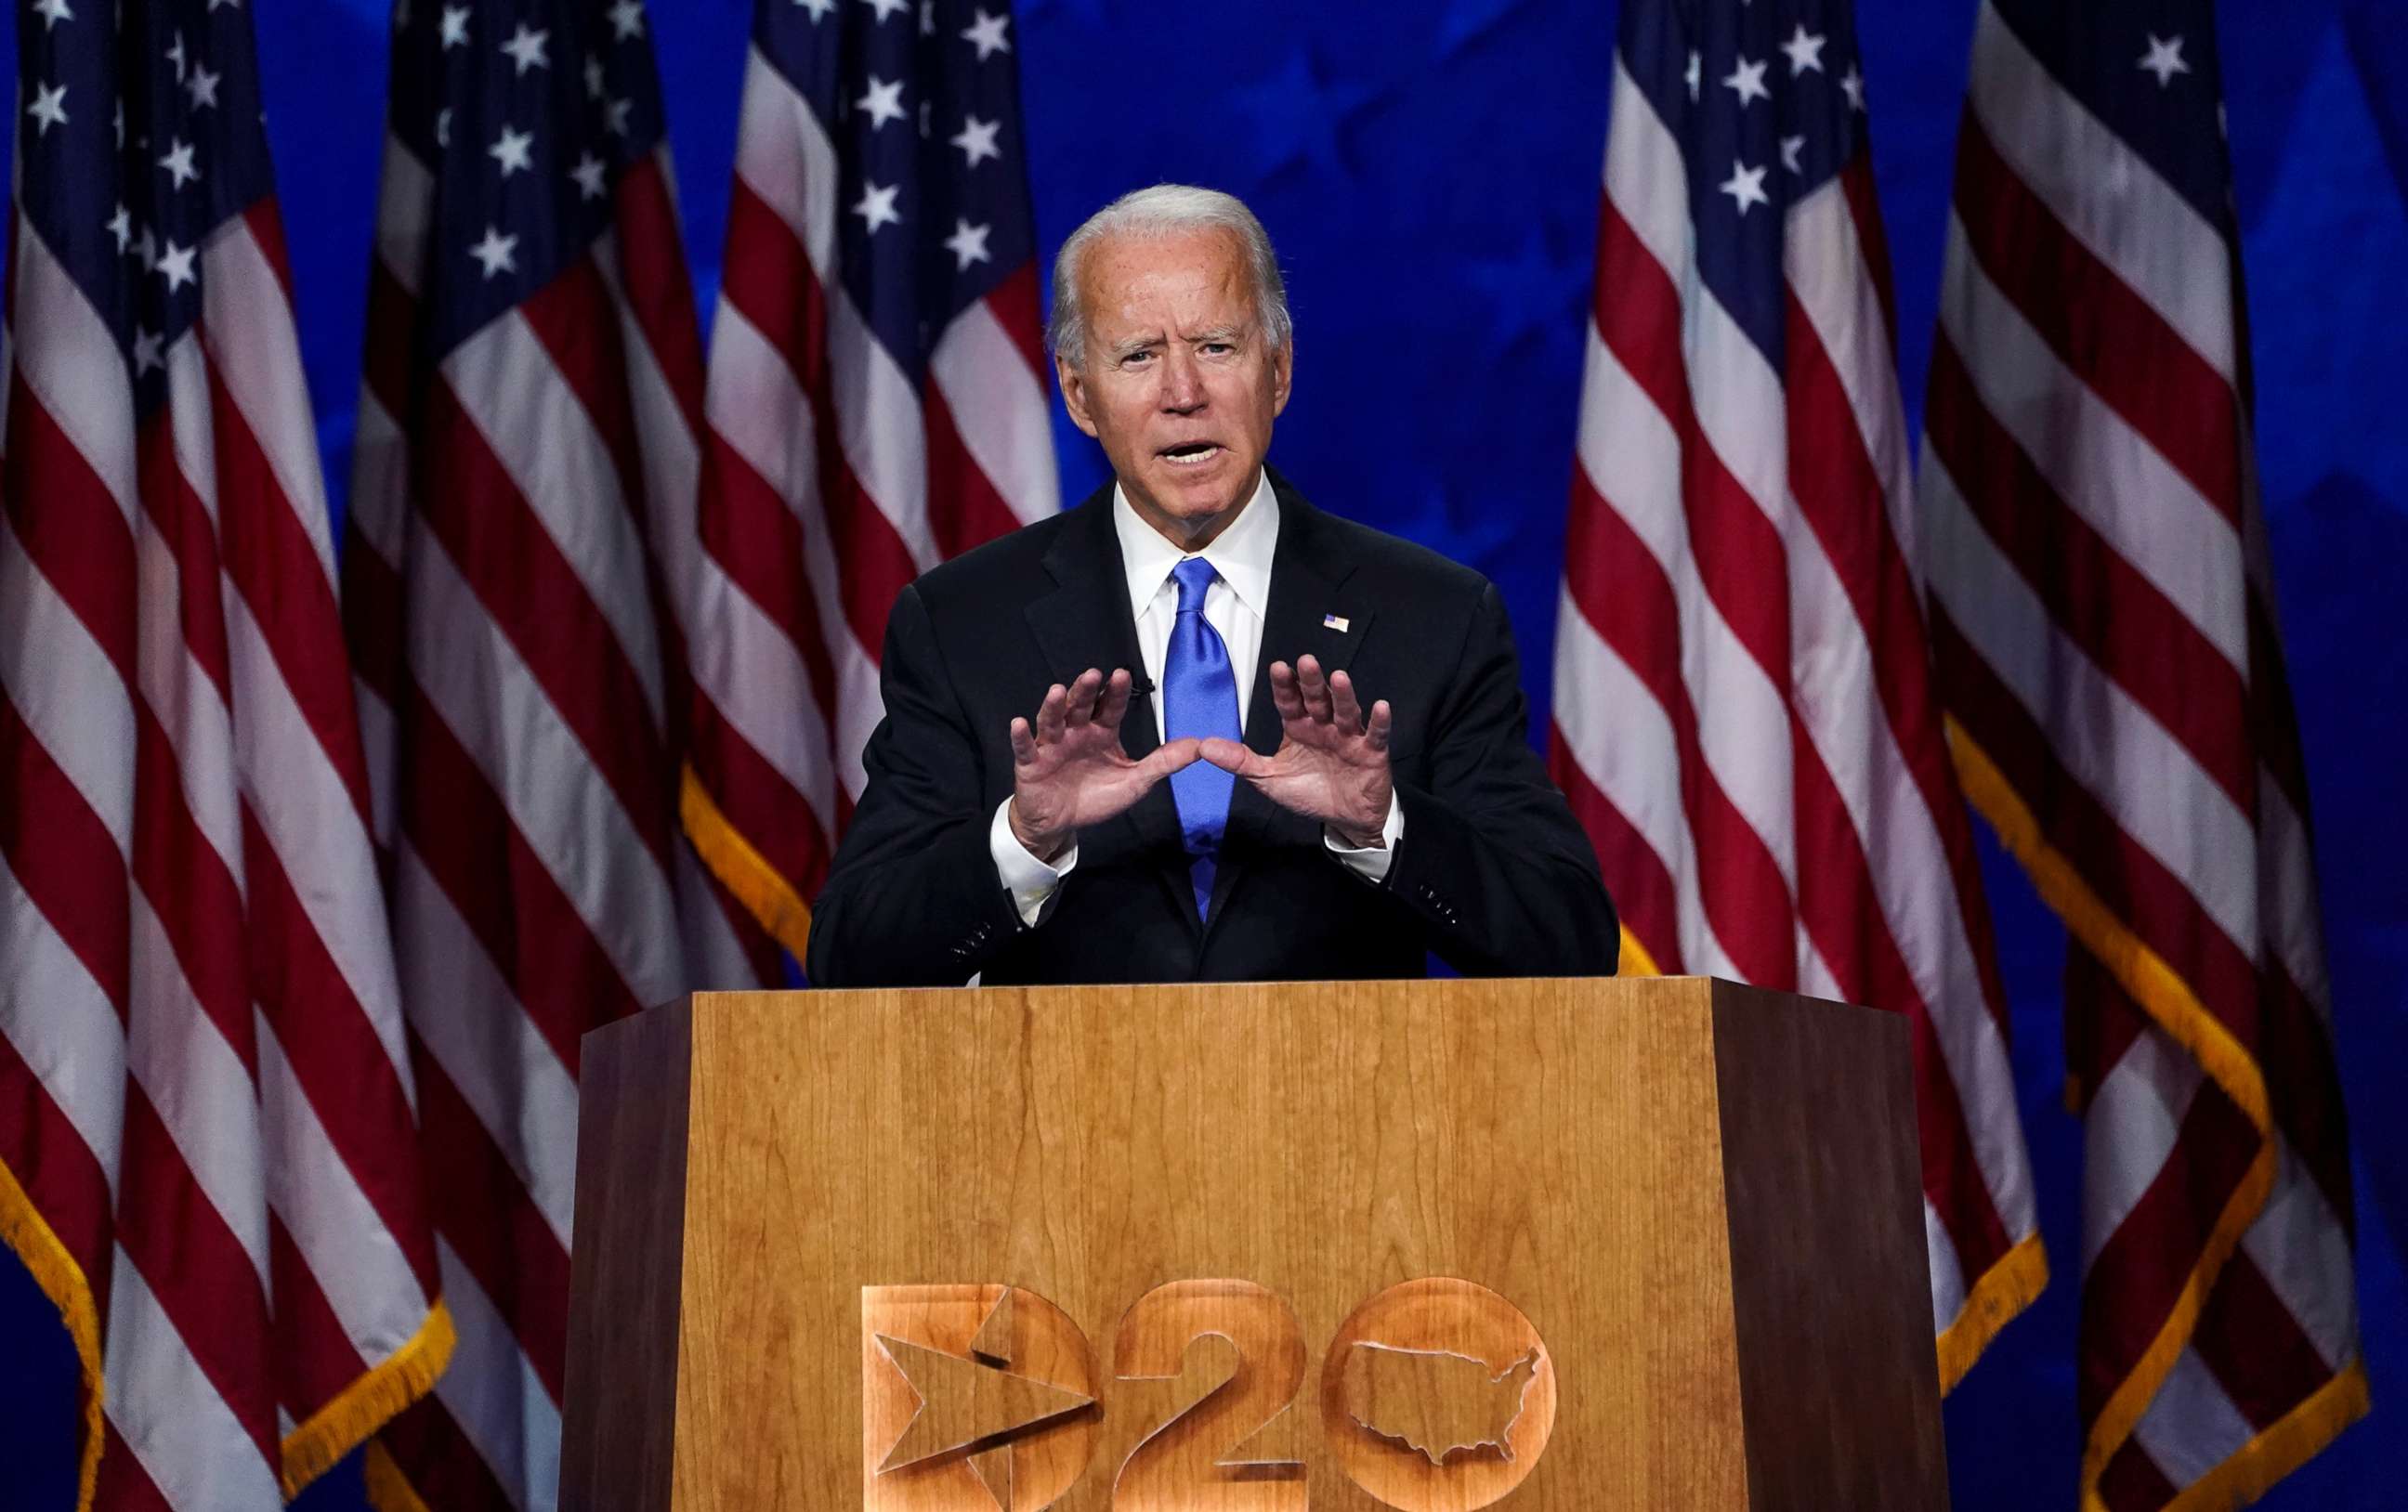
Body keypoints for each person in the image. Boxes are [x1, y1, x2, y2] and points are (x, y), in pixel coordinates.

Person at [805, 185, 1616, 985]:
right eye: (1139, 356)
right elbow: (851, 957)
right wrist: (1025, 840)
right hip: (1061, 1115)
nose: (1183, 394)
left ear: (1280, 371)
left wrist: (1383, 824)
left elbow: (1571, 944)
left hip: (1348, 1109)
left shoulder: (1432, 617)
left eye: (1216, 347)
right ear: (1080, 396)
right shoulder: (962, 624)